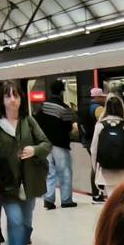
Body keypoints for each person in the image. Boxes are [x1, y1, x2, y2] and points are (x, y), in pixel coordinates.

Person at [0, 81, 51, 245]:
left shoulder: (28, 121)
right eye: (7, 95)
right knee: (15, 219)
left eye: (16, 95)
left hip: (29, 182)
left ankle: (21, 243)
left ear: (21, 98)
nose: (12, 100)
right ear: (1, 100)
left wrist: (34, 150)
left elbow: (46, 144)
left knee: (27, 218)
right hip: (6, 184)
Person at [89, 94, 124, 200]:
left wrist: (95, 170)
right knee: (123, 200)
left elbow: (93, 150)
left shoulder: (99, 126)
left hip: (106, 173)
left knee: (111, 200)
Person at [36, 80, 79, 209]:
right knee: (65, 172)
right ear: (62, 91)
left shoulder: (42, 106)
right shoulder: (65, 108)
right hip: (60, 144)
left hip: (45, 144)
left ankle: (48, 200)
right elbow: (67, 128)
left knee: (50, 173)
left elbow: (36, 123)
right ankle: (66, 200)